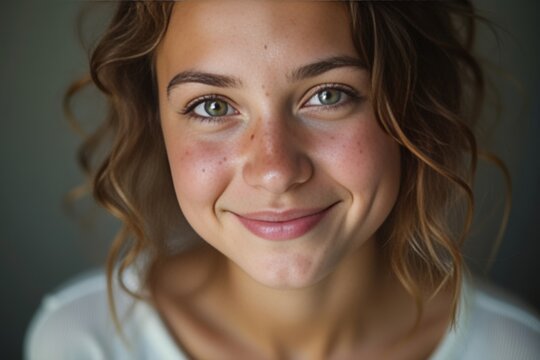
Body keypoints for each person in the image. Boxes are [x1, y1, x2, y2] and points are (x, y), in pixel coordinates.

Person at [25, 1, 540, 359]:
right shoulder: (82, 343)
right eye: (212, 106)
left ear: (410, 109)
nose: (275, 170)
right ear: (155, 121)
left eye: (328, 95)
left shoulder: (510, 349)